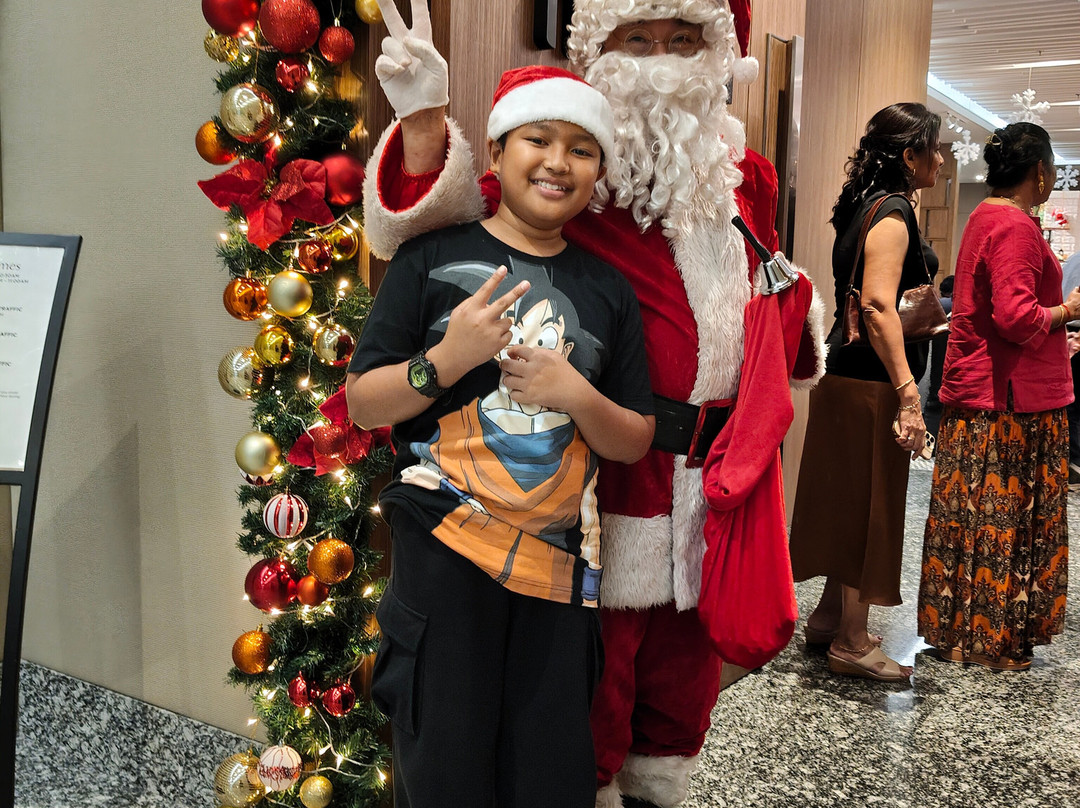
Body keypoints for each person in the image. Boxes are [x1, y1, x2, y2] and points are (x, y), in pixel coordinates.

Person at [360, 1, 827, 805]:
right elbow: (451, 224)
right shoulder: (575, 159)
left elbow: (765, 281)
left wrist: (795, 325)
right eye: (638, 38)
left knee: (680, 703)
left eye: (684, 39)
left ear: (718, 52)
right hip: (599, 487)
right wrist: (426, 124)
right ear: (599, 51)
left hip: (712, 482)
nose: (663, 59)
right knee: (586, 710)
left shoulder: (743, 172)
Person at [345, 65, 656, 808]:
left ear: (599, 172)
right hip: (443, 562)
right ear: (495, 152)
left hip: (559, 580)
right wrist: (447, 360)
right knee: (443, 771)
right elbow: (361, 403)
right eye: (538, 139)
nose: (558, 162)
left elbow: (634, 439)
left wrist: (574, 393)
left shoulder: (608, 290)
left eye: (582, 149)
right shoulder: (427, 258)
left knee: (547, 778)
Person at [789, 103, 945, 683]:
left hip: (843, 371)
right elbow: (878, 306)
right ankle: (852, 642)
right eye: (934, 149)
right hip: (873, 382)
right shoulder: (894, 212)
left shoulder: (862, 205)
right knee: (871, 506)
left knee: (847, 500)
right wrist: (909, 393)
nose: (940, 159)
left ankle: (829, 618)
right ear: (909, 155)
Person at [918, 122, 1080, 671]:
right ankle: (994, 640)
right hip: (1011, 400)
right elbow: (1016, 318)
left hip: (983, 391)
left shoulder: (985, 217)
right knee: (1004, 519)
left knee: (970, 519)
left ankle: (961, 634)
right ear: (1040, 171)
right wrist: (1067, 311)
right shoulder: (1014, 225)